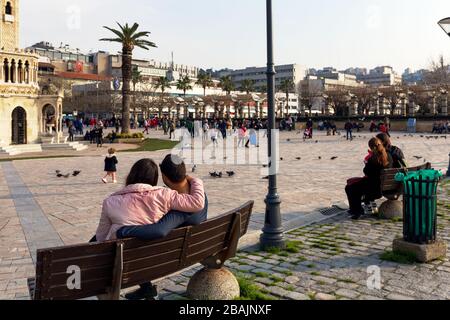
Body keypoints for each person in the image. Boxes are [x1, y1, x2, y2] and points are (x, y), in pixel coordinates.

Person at [116, 155, 209, 300]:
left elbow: (160, 230)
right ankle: (146, 289)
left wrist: (123, 230)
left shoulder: (180, 209)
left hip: (166, 256)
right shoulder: (198, 194)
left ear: (164, 177)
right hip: (194, 248)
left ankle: (146, 288)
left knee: (134, 244)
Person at [95, 158, 205, 242]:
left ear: (131, 175)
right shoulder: (164, 195)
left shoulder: (109, 202)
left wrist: (118, 231)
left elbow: (101, 238)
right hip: (153, 257)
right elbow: (197, 202)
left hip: (120, 258)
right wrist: (195, 180)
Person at [345, 138, 393, 220]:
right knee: (354, 186)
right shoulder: (388, 156)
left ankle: (357, 210)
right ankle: (356, 209)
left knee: (350, 187)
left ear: (371, 148)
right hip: (384, 187)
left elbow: (366, 171)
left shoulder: (373, 159)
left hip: (374, 188)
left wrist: (367, 163)